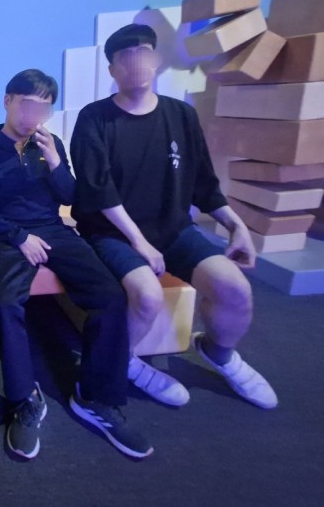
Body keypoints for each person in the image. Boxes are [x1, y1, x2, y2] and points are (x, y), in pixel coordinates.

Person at [71, 23, 277, 410]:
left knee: (234, 288)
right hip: (113, 234)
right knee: (146, 296)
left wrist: (236, 225)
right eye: (125, 58)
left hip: (174, 229)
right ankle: (124, 361)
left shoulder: (180, 115)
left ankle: (219, 353)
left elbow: (203, 183)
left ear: (157, 60)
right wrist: (139, 242)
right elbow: (99, 190)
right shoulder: (94, 118)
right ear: (113, 69)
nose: (136, 63)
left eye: (143, 54)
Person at [0, 70, 152, 459]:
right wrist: (19, 237)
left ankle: (94, 396)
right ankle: (23, 400)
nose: (33, 116)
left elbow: (71, 197)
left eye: (43, 108)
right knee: (6, 305)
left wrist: (55, 162)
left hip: (53, 230)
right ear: (7, 101)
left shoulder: (51, 145)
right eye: (27, 105)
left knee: (110, 295)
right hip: (7, 236)